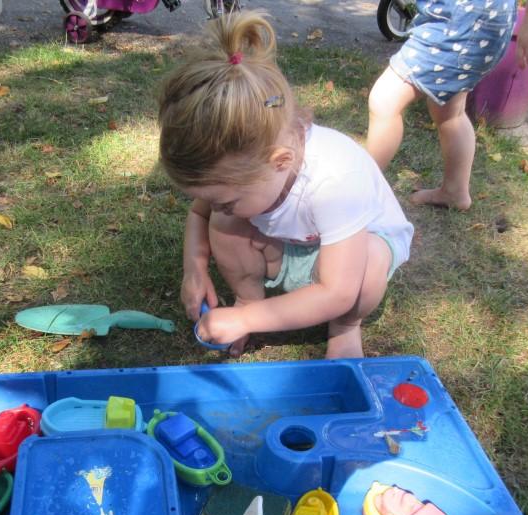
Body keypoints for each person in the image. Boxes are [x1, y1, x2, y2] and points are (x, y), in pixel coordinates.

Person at [157, 10, 415, 359]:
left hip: (353, 256)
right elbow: (201, 216)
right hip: (298, 240)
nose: (215, 206)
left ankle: (344, 327)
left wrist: (246, 319)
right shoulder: (245, 171)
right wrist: (195, 269)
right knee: (224, 224)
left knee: (366, 270)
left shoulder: (336, 180)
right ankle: (249, 297)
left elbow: (338, 290)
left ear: (279, 162)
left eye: (226, 200)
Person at [366, 0, 528, 210]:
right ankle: (454, 191)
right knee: (450, 113)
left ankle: (359, 191)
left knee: (385, 100)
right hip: (468, 21)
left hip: (463, 23)